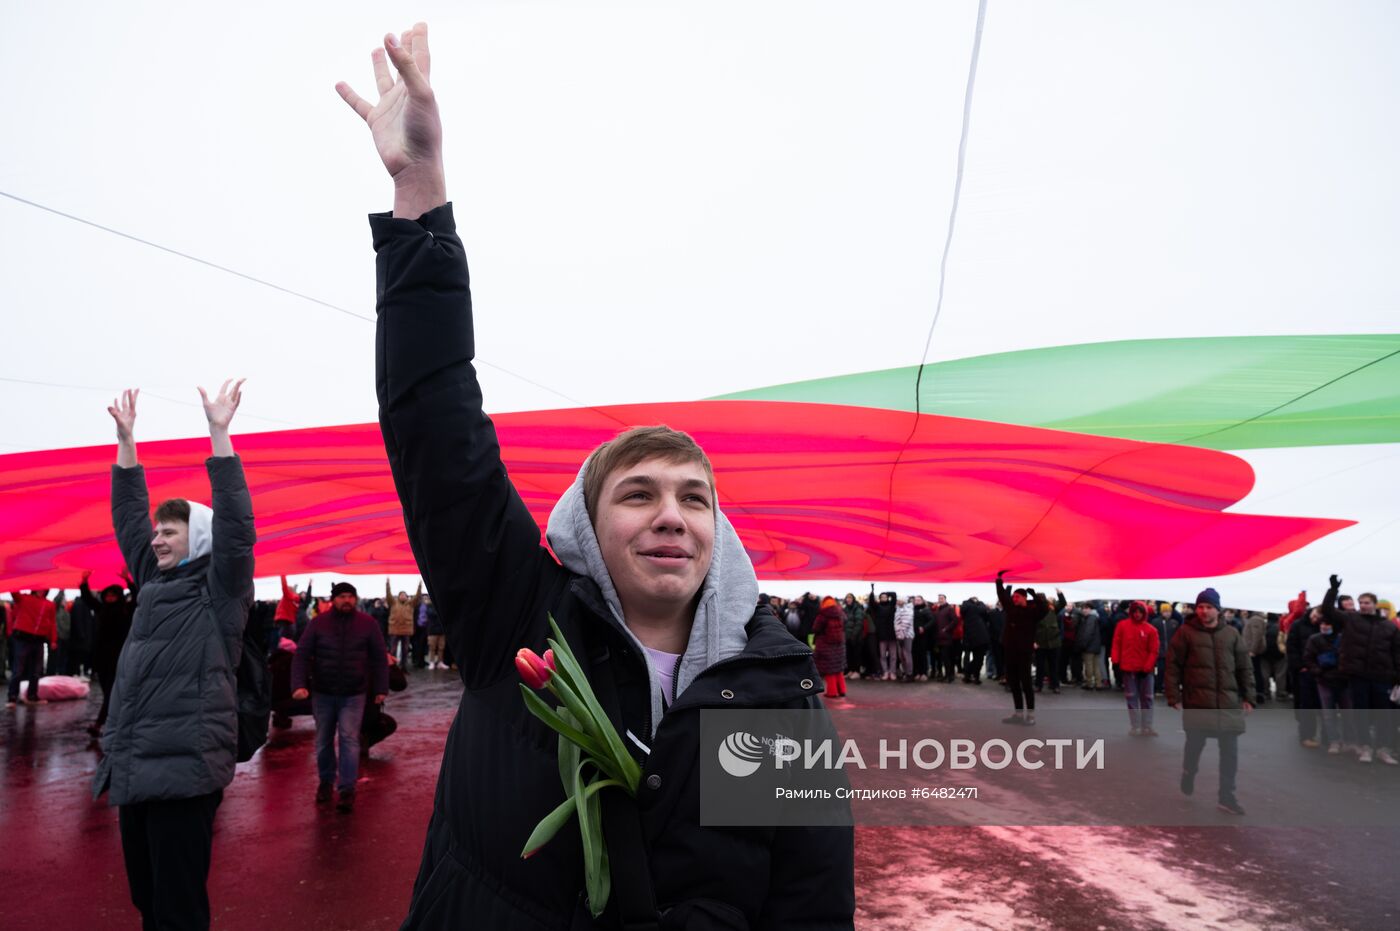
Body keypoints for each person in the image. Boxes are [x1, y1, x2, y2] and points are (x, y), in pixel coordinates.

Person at [336, 23, 854, 926]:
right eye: (639, 493)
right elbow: (436, 429)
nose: (672, 515)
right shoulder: (517, 614)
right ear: (585, 521)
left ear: (718, 534)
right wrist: (419, 192)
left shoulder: (774, 691)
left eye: (695, 498)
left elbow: (810, 898)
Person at [92, 382, 255, 930]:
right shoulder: (152, 583)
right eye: (157, 532)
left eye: (170, 531)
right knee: (146, 901)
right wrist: (126, 441)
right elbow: (127, 514)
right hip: (135, 770)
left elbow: (237, 526)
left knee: (178, 909)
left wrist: (219, 434)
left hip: (185, 773)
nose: (157, 540)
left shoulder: (221, 590)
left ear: (200, 538)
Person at [290, 581, 389, 811]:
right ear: (333, 599)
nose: (347, 600)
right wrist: (298, 684)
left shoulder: (368, 624)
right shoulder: (318, 624)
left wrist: (381, 689)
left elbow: (378, 658)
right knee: (323, 741)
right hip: (323, 693)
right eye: (342, 596)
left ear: (355, 599)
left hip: (354, 694)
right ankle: (326, 782)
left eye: (350, 596)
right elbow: (301, 655)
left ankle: (346, 789)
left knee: (349, 739)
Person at [1164, 587, 1254, 816]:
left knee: (1230, 754)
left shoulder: (1232, 634)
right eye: (1200, 607)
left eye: (1209, 607)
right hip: (1198, 702)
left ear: (1218, 609)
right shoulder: (1185, 633)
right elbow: (1173, 666)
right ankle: (1189, 771)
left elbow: (1244, 667)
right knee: (1194, 747)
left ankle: (1227, 796)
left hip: (1228, 704)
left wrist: (1249, 697)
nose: (1204, 611)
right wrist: (1173, 695)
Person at [1321, 575, 1400, 765]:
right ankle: (1365, 747)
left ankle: (1382, 749)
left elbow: (1397, 652)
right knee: (1361, 713)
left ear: (1375, 604)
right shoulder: (1350, 619)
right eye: (1361, 602)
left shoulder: (1389, 627)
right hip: (1358, 675)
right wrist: (1333, 591)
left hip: (1382, 676)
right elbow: (1328, 611)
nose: (1363, 605)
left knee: (1383, 715)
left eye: (1367, 602)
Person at [80, 570, 137, 736]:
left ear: (118, 596)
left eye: (113, 595)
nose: (109, 598)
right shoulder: (101, 609)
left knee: (112, 693)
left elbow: (137, 595)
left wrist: (128, 580)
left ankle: (99, 725)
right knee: (109, 693)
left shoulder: (126, 609)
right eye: (107, 595)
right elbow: (88, 599)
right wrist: (84, 582)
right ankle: (117, 723)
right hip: (102, 658)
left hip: (120, 658)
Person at [995, 572, 1049, 725]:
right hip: (1010, 651)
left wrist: (1034, 595)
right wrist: (999, 580)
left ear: (1024, 597)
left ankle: (1030, 715)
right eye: (1014, 597)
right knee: (1013, 683)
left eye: (1017, 597)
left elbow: (1044, 609)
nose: (1014, 598)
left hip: (1024, 652)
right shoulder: (1011, 609)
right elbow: (1002, 596)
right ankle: (1018, 714)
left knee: (1026, 684)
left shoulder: (1033, 612)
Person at [1110, 601, 1159, 736]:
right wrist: (1115, 661)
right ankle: (1136, 726)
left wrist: (1147, 667)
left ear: (1144, 613)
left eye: (1140, 612)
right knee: (1131, 698)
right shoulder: (1122, 626)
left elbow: (1153, 651)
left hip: (1145, 670)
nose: (1137, 614)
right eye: (1135, 612)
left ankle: (1147, 725)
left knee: (1147, 698)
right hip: (1128, 668)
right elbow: (1116, 643)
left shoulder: (1151, 630)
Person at [5, 588, 56, 706]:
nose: (41, 591)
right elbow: (14, 592)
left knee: (36, 671)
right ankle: (12, 696)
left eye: (44, 589)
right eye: (40, 589)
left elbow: (52, 622)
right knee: (18, 669)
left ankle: (32, 696)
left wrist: (53, 640)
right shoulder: (24, 598)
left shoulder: (50, 605)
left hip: (38, 639)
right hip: (23, 638)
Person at [811, 596, 848, 698]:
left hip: (825, 645)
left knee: (829, 670)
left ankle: (832, 692)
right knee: (839, 669)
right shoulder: (841, 614)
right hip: (840, 645)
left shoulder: (822, 615)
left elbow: (815, 628)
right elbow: (845, 623)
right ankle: (842, 690)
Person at [385, 578, 422, 668]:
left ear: (407, 596)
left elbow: (417, 596)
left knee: (405, 650)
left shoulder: (411, 604)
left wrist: (419, 586)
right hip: (395, 630)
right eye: (401, 595)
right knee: (393, 649)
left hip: (406, 630)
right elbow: (388, 595)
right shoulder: (393, 603)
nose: (403, 596)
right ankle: (392, 667)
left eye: (404, 595)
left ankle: (404, 667)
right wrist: (387, 584)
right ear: (398, 596)